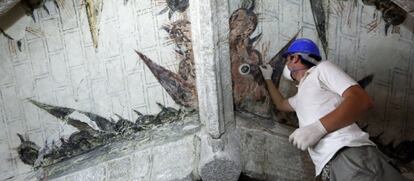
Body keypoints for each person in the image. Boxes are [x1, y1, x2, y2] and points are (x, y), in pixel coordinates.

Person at [259, 38, 405, 180]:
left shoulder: (321, 69)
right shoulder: (301, 95)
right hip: (330, 166)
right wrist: (267, 78)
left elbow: (361, 100)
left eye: (287, 59)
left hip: (349, 154)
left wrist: (318, 128)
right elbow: (281, 104)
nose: (286, 63)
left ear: (295, 58)